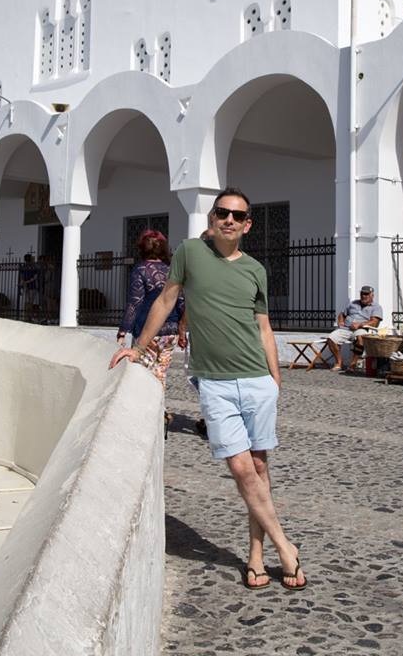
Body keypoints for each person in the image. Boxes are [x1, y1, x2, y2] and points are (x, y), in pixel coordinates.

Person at [110, 187, 306, 591]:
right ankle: (286, 547)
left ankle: (255, 556)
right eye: (222, 213)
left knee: (259, 468)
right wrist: (137, 348)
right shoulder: (189, 253)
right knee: (240, 468)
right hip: (214, 382)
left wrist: (276, 377)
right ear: (212, 218)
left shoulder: (255, 270)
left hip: (257, 381)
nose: (229, 220)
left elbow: (264, 327)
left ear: (248, 224)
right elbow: (166, 300)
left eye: (237, 215)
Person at [116, 230, 186, 435]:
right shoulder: (171, 270)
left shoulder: (140, 271)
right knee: (160, 373)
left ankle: (148, 415)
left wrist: (123, 330)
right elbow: (181, 301)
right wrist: (182, 330)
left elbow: (135, 303)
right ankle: (159, 413)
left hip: (147, 332)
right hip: (170, 331)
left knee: (142, 374)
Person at [326, 286, 383, 371]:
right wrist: (340, 321)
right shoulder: (353, 303)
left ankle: (352, 365)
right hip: (346, 328)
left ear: (372, 295)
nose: (364, 296)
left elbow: (375, 323)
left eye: (366, 294)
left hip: (361, 329)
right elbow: (342, 314)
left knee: (361, 338)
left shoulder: (376, 307)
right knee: (331, 338)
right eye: (362, 293)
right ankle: (338, 362)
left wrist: (360, 325)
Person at [18, 253, 40, 321]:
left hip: (28, 285)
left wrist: (24, 282)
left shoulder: (24, 266)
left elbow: (22, 277)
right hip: (31, 285)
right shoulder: (33, 266)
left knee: (28, 301)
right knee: (30, 301)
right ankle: (28, 316)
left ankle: (27, 316)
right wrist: (25, 282)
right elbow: (35, 277)